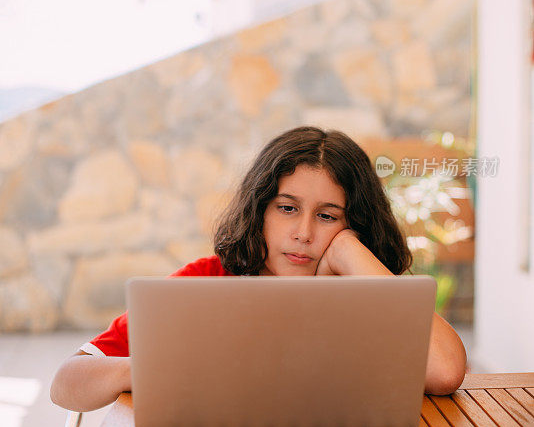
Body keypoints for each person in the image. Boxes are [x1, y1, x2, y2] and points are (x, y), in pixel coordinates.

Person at [50, 126, 467, 412]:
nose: (303, 232)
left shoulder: (369, 296)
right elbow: (67, 380)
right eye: (287, 209)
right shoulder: (206, 281)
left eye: (327, 216)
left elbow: (446, 370)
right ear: (260, 210)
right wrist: (146, 369)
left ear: (355, 224)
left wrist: (348, 255)